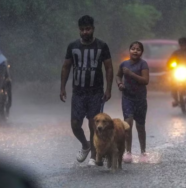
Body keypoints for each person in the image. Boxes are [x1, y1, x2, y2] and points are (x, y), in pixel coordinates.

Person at [60, 15, 113, 166]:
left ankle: (95, 156)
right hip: (78, 91)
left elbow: (108, 67)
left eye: (88, 29)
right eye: (82, 29)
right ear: (79, 30)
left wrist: (108, 89)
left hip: (95, 91)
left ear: (93, 29)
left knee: (93, 124)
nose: (85, 32)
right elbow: (66, 66)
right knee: (75, 124)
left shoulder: (102, 46)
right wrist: (62, 87)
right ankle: (86, 145)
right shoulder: (73, 46)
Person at [116, 41, 149, 163]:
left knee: (140, 126)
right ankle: (128, 152)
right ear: (129, 50)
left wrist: (131, 74)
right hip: (127, 98)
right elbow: (118, 75)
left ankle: (143, 152)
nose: (135, 51)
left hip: (140, 99)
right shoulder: (124, 64)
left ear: (141, 52)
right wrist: (119, 83)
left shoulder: (143, 64)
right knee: (127, 125)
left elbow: (146, 80)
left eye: (138, 49)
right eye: (133, 49)